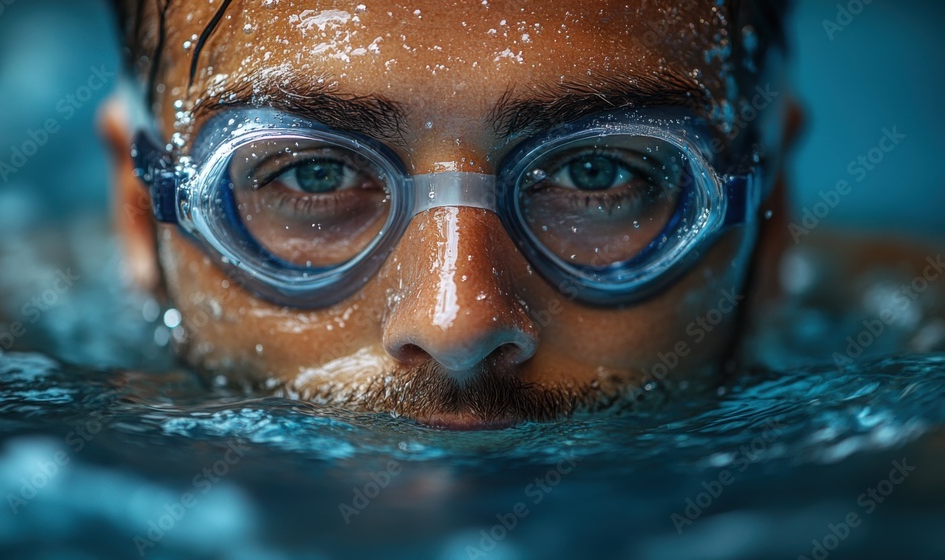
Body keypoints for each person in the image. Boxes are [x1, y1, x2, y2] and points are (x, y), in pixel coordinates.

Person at [102, 0, 797, 429]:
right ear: (140, 214)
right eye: (315, 175)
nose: (457, 323)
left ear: (771, 218)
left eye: (599, 171)